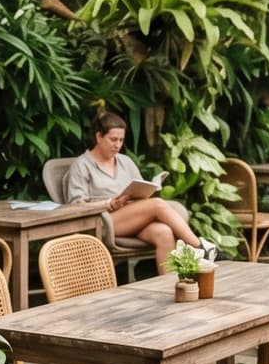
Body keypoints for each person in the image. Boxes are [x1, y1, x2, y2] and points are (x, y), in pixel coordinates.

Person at [63, 109, 204, 266]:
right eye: (113, 139)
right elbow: (75, 207)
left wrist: (148, 191)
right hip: (102, 222)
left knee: (163, 232)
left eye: (121, 140)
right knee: (157, 205)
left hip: (133, 218)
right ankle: (199, 247)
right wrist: (108, 204)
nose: (118, 145)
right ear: (98, 137)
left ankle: (168, 287)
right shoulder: (82, 165)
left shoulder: (125, 161)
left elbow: (140, 189)